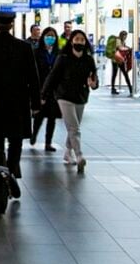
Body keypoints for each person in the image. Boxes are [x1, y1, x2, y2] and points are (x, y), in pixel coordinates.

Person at [0, 11, 41, 179]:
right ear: (11, 26)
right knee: (16, 138)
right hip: (18, 102)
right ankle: (12, 169)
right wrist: (35, 105)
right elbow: (33, 79)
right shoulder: (24, 48)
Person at [42, 29, 98, 173]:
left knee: (74, 126)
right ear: (71, 41)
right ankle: (79, 156)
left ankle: (68, 152)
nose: (79, 42)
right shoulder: (63, 58)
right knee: (74, 128)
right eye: (77, 39)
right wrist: (44, 94)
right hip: (64, 96)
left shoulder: (88, 59)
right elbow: (53, 76)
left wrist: (94, 85)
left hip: (81, 96)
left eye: (82, 40)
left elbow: (94, 79)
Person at [31, 26, 62, 152]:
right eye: (48, 36)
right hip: (40, 88)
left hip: (54, 90)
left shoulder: (58, 53)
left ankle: (48, 142)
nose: (50, 38)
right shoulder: (37, 52)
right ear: (43, 37)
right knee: (39, 115)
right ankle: (34, 135)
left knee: (52, 117)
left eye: (53, 36)